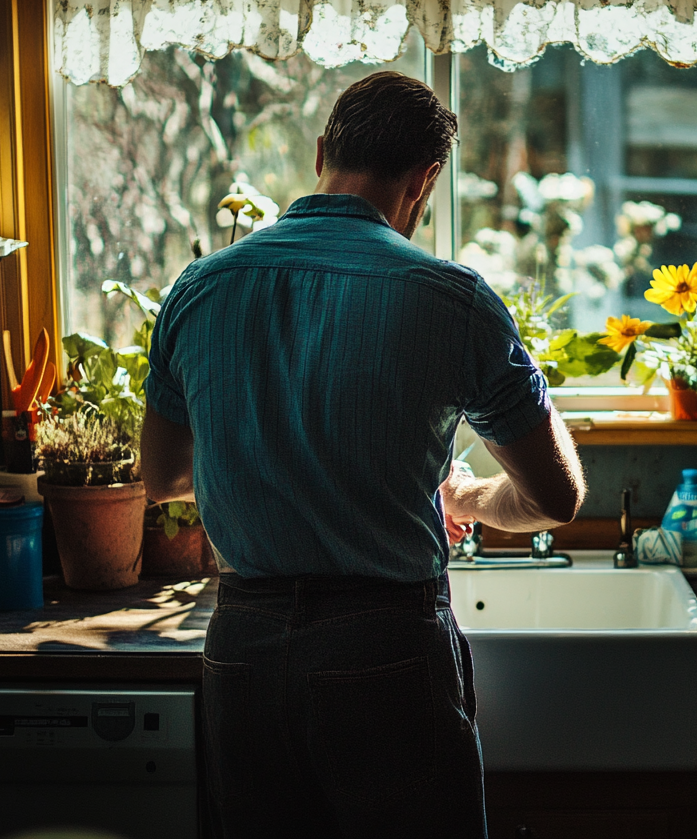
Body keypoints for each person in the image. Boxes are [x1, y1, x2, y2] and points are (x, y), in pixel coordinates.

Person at [140, 71, 586, 839]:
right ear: (426, 181)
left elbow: (162, 477)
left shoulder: (199, 289)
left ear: (321, 152)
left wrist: (257, 446)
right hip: (385, 649)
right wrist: (469, 499)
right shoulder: (452, 299)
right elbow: (556, 495)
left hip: (242, 648)